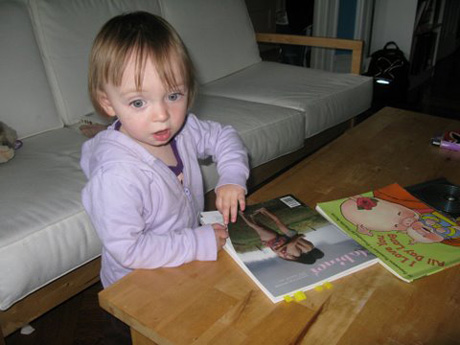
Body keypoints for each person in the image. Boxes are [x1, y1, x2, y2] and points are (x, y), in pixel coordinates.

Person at [80, 11, 249, 344]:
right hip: (135, 292)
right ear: (108, 103)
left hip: (182, 268)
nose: (162, 116)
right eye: (139, 102)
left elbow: (224, 136)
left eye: (174, 95)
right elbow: (129, 249)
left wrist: (231, 176)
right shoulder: (116, 176)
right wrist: (197, 242)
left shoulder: (183, 128)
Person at [239, 207, 319, 262]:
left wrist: (300, 236)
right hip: (288, 237)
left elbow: (296, 241)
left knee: (275, 222)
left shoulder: (308, 249)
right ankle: (262, 211)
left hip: (289, 236)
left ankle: (262, 211)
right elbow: (293, 243)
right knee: (271, 224)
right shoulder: (304, 251)